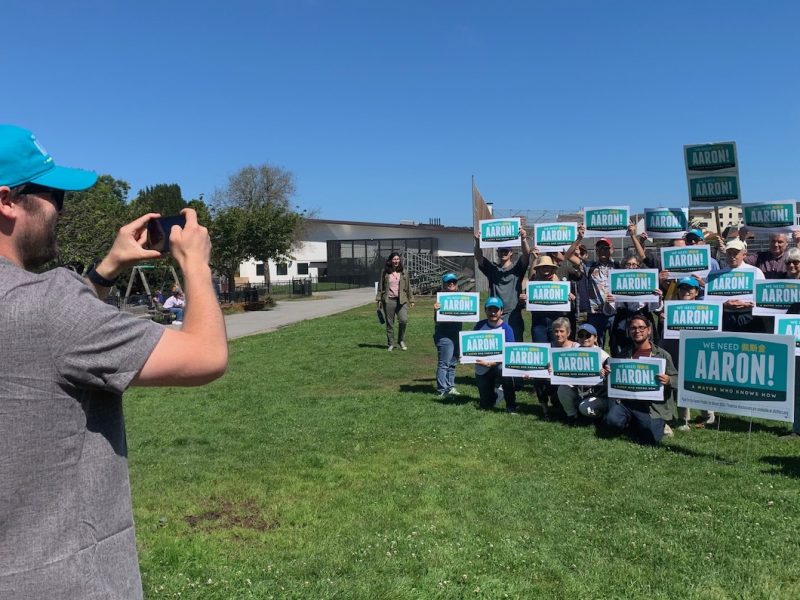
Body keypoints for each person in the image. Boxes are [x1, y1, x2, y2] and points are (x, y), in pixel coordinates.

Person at [0, 124, 228, 598]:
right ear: (7, 201)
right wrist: (196, 264)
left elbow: (49, 335)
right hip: (66, 581)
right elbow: (204, 355)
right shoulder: (48, 305)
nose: (62, 211)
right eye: (55, 197)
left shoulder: (46, 308)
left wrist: (104, 270)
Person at [604, 315, 677, 445]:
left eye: (641, 327)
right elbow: (614, 379)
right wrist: (607, 373)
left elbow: (676, 379)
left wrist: (669, 380)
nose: (637, 331)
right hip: (629, 402)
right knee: (612, 422)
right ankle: (634, 421)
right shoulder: (624, 354)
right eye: (633, 328)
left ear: (649, 330)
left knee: (651, 439)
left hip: (652, 405)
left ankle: (660, 424)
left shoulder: (662, 355)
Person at [565, 226, 620, 348]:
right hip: (595, 314)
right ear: (596, 250)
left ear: (612, 250)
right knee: (595, 346)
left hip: (614, 312)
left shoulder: (618, 266)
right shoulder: (589, 266)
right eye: (600, 248)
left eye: (606, 248)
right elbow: (568, 256)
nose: (603, 250)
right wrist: (579, 238)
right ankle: (598, 367)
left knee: (617, 345)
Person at [474, 228, 531, 343]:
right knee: (495, 346)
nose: (504, 253)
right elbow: (479, 257)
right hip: (494, 312)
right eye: (501, 251)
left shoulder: (517, 268)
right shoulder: (492, 269)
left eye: (506, 251)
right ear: (498, 253)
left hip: (513, 313)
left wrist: (523, 239)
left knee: (514, 347)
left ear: (511, 253)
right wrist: (477, 242)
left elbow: (526, 254)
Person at [602, 251, 662, 358]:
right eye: (628, 264)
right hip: (622, 324)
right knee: (622, 354)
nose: (631, 267)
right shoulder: (616, 283)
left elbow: (656, 308)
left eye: (634, 265)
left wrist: (658, 297)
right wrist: (608, 301)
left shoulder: (648, 282)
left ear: (639, 267)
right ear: (624, 267)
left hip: (643, 319)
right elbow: (609, 311)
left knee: (645, 353)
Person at [557, 323, 610, 425]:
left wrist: (605, 374)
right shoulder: (573, 353)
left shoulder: (603, 356)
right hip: (579, 390)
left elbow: (612, 379)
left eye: (588, 335)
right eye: (581, 335)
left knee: (584, 408)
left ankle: (601, 416)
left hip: (598, 394)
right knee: (562, 389)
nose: (584, 338)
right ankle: (572, 416)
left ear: (595, 338)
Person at [473, 296, 518, 412]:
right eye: (490, 309)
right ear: (485, 310)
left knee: (505, 371)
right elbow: (471, 347)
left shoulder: (507, 329)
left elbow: (509, 353)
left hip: (499, 363)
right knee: (486, 404)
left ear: (501, 311)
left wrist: (492, 363)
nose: (493, 312)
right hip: (482, 363)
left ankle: (511, 405)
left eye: (496, 310)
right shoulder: (479, 326)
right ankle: (497, 393)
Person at [536, 317, 578, 420]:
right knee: (538, 379)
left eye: (561, 331)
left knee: (558, 402)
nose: (558, 334)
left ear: (568, 332)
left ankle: (571, 409)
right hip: (554, 381)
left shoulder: (576, 347)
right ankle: (545, 412)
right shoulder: (549, 347)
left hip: (571, 383)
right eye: (556, 331)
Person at [376, 251, 414, 351]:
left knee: (403, 320)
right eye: (394, 259)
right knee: (390, 323)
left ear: (399, 260)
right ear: (390, 261)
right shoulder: (385, 271)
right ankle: (391, 343)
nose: (396, 261)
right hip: (389, 300)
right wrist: (379, 299)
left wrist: (411, 299)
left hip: (402, 300)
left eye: (397, 259)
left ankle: (401, 340)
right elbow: (381, 286)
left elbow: (409, 286)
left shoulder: (404, 271)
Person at [433, 272, 462, 397]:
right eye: (448, 282)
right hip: (444, 336)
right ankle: (442, 390)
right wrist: (435, 311)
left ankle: (451, 387)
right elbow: (436, 320)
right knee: (444, 363)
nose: (451, 284)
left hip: (457, 334)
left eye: (453, 282)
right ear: (444, 284)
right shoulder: (440, 300)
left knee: (453, 363)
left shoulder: (461, 298)